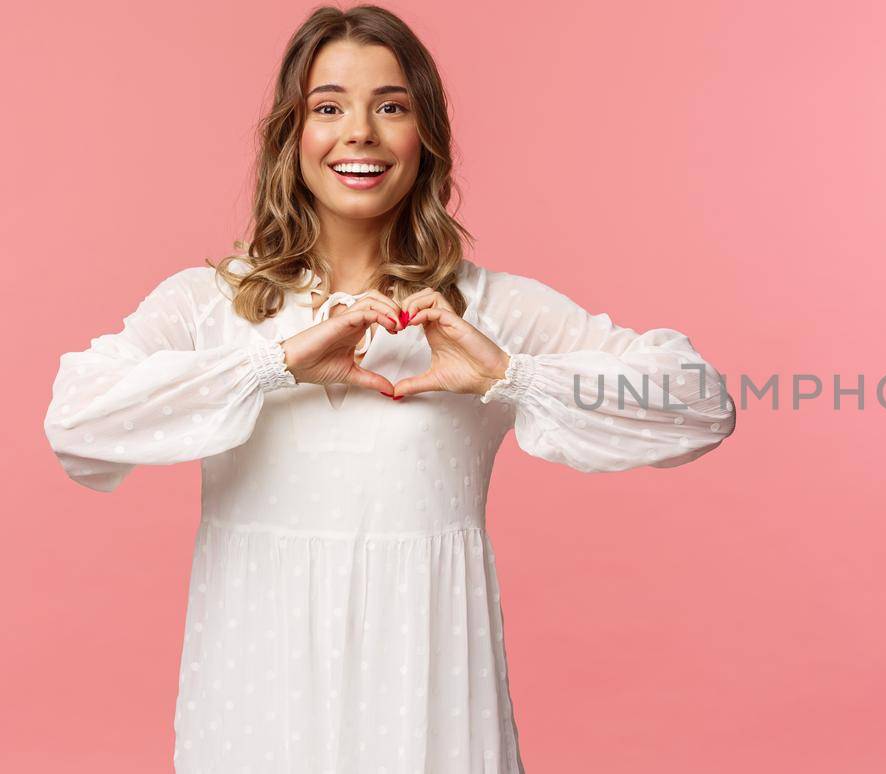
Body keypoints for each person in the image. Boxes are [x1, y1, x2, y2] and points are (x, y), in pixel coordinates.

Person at [41, 5, 736, 772]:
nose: (360, 132)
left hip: (428, 707)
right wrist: (274, 365)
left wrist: (512, 375)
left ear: (424, 136)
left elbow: (698, 405)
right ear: (290, 136)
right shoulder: (212, 305)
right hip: (257, 703)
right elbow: (75, 420)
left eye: (391, 106)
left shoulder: (486, 311)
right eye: (328, 106)